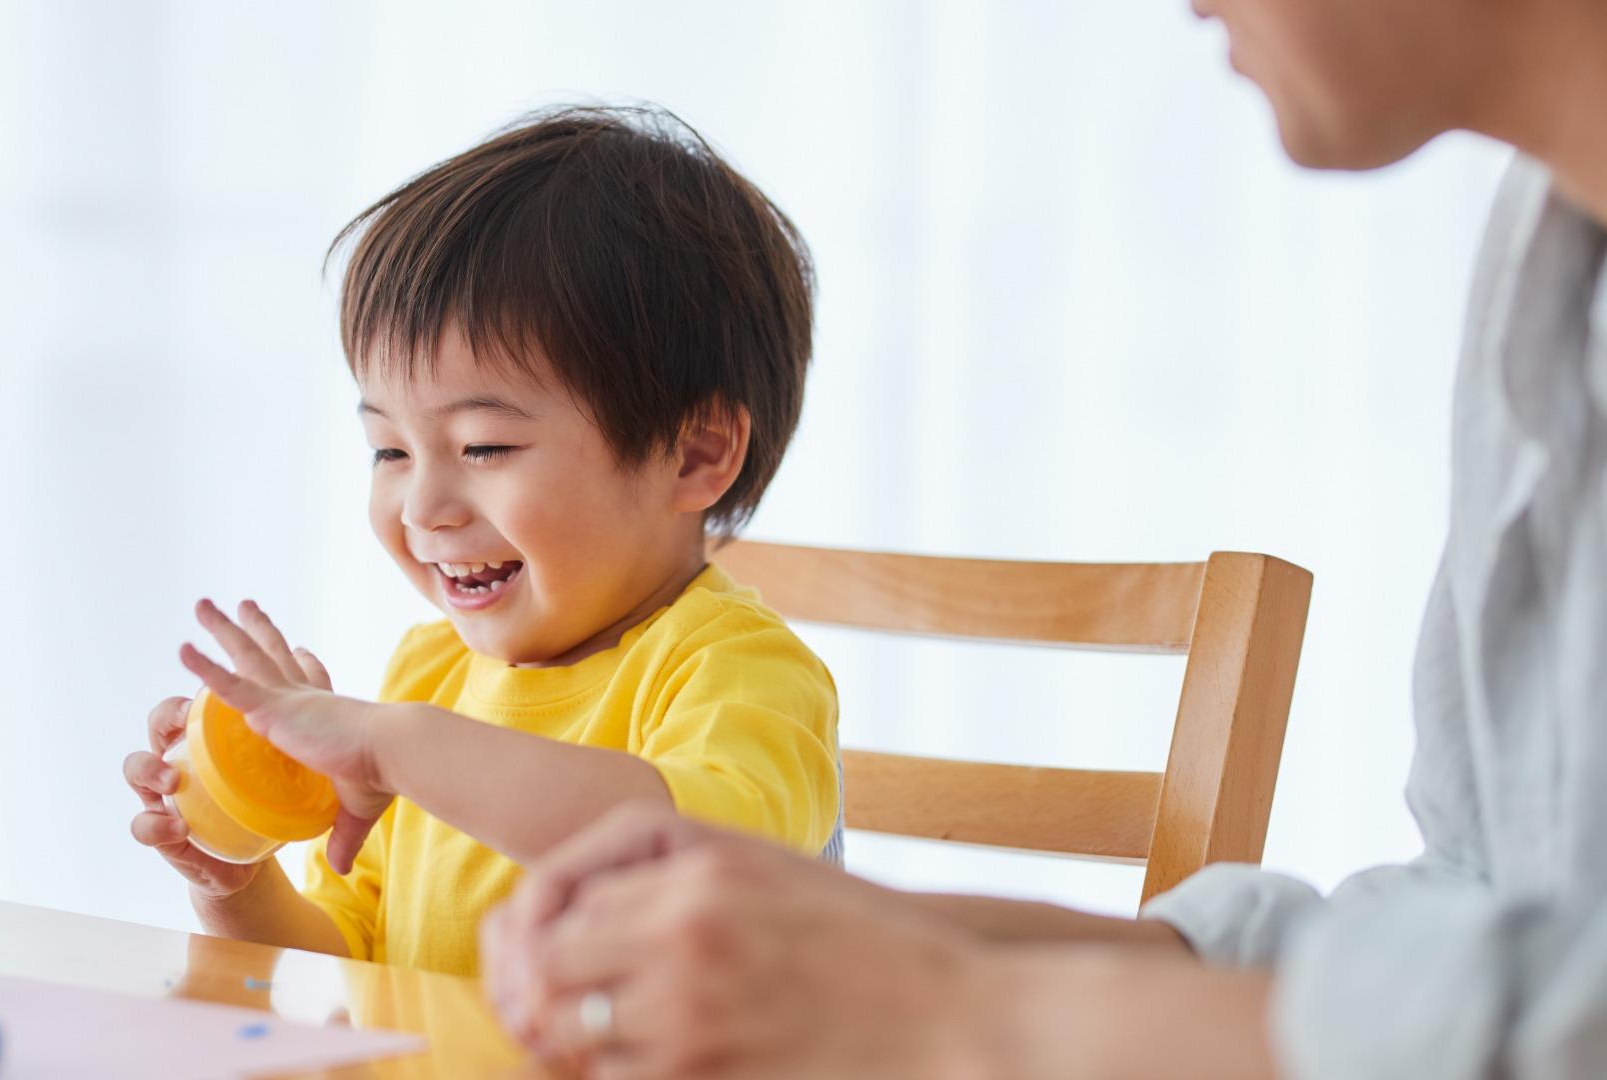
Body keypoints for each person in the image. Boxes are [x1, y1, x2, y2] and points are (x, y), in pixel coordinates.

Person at [481, 0, 1607, 1075]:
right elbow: (1484, 906)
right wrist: (886, 946)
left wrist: (971, 1014)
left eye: (484, 444)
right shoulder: (1540, 270)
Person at [121, 106, 843, 977]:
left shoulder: (739, 674)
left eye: (484, 448)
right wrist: (236, 883)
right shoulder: (430, 679)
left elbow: (685, 855)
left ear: (695, 454)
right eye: (388, 449)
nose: (422, 507)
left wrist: (393, 747)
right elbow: (355, 961)